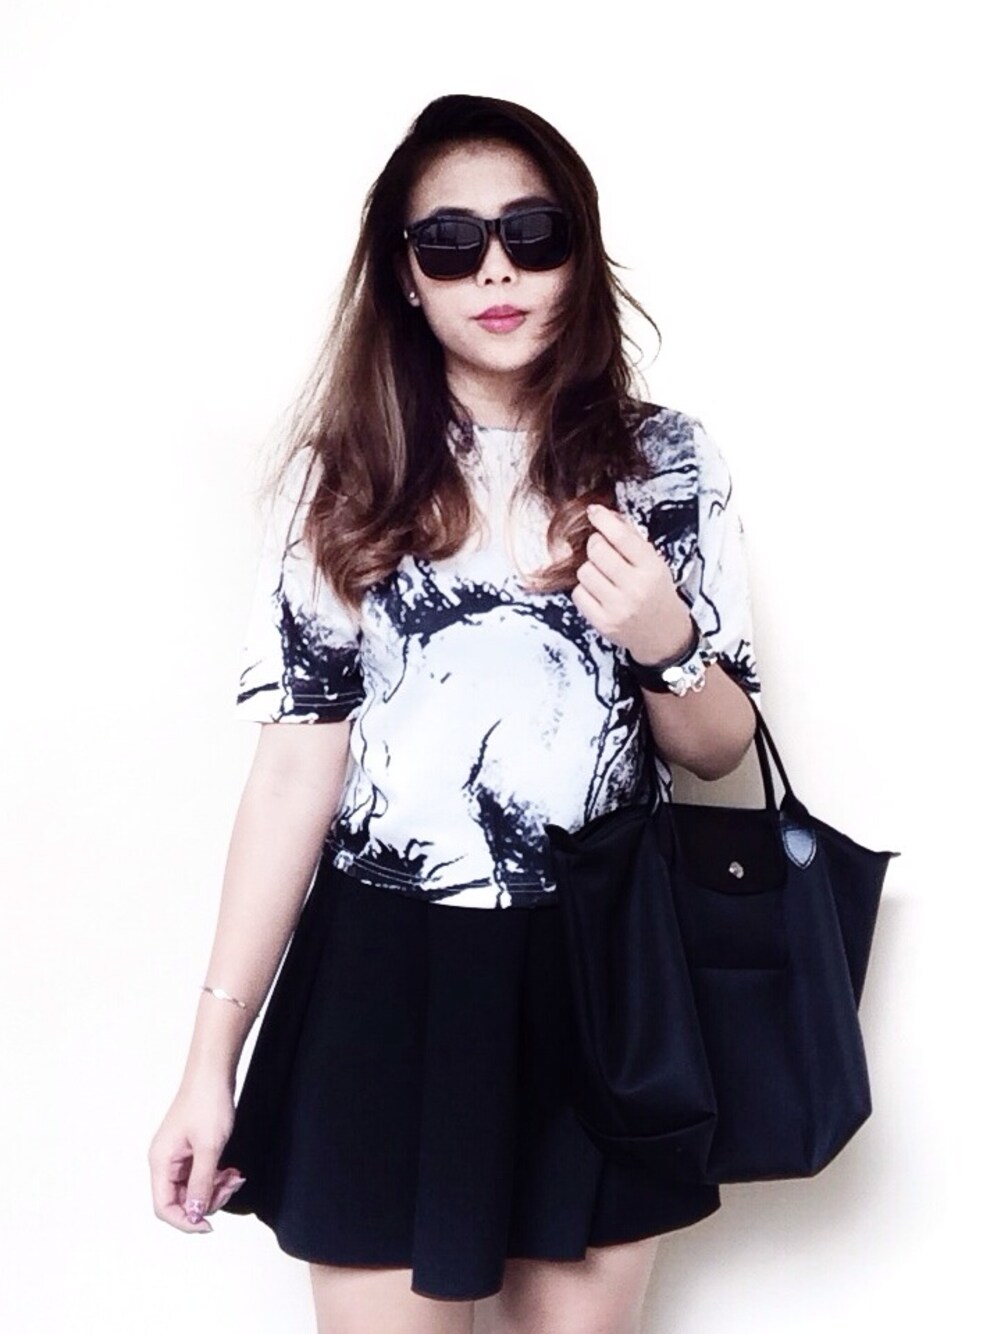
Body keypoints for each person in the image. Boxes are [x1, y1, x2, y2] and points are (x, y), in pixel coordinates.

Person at [147, 93, 763, 1334]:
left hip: (600, 971)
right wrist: (207, 1065)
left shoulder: (664, 460)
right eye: (451, 241)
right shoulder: (345, 476)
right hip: (385, 969)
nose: (495, 270)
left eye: (533, 234)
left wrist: (663, 639)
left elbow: (717, 748)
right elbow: (292, 775)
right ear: (404, 274)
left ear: (578, 255)